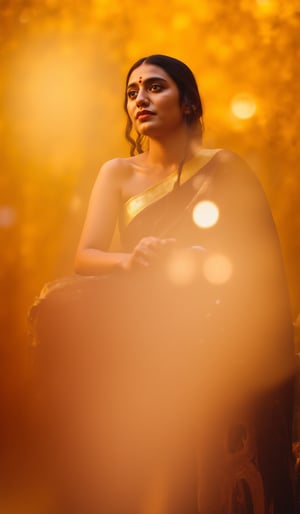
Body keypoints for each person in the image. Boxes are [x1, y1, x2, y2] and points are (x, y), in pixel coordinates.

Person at [31, 55, 296, 514]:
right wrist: (130, 261)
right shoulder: (117, 173)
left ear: (188, 103)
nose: (140, 99)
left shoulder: (225, 168)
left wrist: (203, 261)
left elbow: (257, 263)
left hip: (215, 325)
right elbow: (86, 257)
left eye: (155, 87)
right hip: (140, 326)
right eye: (132, 92)